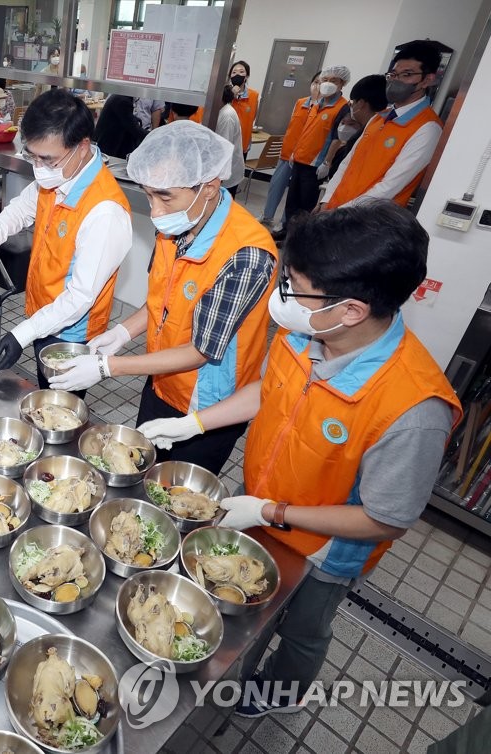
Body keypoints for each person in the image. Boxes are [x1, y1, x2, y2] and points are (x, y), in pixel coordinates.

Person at [139, 202, 460, 717]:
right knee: (248, 605)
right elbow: (270, 389)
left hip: (323, 550)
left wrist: (272, 512)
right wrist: (194, 423)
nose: (282, 297)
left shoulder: (413, 409)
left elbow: (386, 519)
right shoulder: (311, 328)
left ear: (351, 308)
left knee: (304, 626)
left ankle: (284, 694)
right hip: (263, 507)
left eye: (293, 286)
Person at [49, 121, 277, 475]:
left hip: (209, 405)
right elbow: (160, 301)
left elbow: (201, 350)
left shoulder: (246, 254)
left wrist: (108, 368)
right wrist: (123, 333)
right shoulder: (174, 228)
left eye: (165, 196)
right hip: (161, 379)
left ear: (210, 188)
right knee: (141, 473)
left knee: (177, 496)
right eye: (149, 194)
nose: (154, 210)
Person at [0, 89, 133, 394]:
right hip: (43, 312)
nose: (39, 167)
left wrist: (21, 334)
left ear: (82, 147)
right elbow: (22, 209)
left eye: (47, 159)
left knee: (58, 404)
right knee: (44, 391)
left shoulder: (105, 213)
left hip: (72, 332)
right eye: (32, 156)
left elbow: (79, 299)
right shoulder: (59, 174)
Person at [321, 41, 443, 211]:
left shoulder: (427, 128)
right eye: (393, 74)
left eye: (406, 75)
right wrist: (326, 200)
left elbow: (390, 186)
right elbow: (347, 163)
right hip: (336, 210)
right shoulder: (380, 117)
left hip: (369, 221)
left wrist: (342, 212)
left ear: (427, 80)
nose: (396, 81)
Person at [278, 65, 351, 233]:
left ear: (342, 83)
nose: (327, 84)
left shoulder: (342, 107)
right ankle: (286, 230)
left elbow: (338, 138)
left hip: (315, 165)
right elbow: (306, 131)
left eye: (333, 81)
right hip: (299, 159)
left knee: (306, 204)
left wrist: (327, 162)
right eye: (325, 80)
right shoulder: (317, 104)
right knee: (292, 201)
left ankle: (299, 236)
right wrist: (295, 152)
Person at [259, 72, 321, 230]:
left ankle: (284, 223)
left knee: (293, 193)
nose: (317, 86)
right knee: (276, 185)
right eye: (315, 82)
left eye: (321, 83)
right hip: (287, 153)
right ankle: (267, 216)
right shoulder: (301, 102)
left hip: (305, 159)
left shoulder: (324, 109)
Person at [325, 74, 388, 179]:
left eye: (353, 102)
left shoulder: (362, 137)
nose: (351, 106)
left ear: (361, 103)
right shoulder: (383, 129)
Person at [92, 95, 146, 159]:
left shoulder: (119, 97)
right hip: (110, 144)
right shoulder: (122, 101)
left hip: (112, 141)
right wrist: (154, 135)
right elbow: (134, 129)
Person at [214, 85, 246, 196]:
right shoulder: (221, 110)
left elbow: (224, 148)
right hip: (223, 170)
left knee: (224, 206)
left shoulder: (227, 115)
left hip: (227, 171)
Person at [228, 60, 260, 155]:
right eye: (234, 72)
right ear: (230, 76)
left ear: (246, 76)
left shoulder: (254, 96)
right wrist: (230, 96)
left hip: (242, 144)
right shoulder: (223, 94)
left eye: (241, 72)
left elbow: (253, 117)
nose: (237, 74)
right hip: (225, 143)